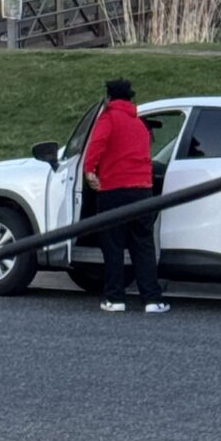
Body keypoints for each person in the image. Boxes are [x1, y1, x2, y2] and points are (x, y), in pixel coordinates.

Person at [83, 79, 169, 314]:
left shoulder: (109, 118)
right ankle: (152, 299)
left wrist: (90, 170)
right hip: (142, 189)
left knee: (113, 245)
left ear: (109, 97)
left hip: (113, 188)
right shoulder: (139, 124)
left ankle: (115, 297)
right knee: (143, 245)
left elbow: (97, 145)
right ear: (130, 99)